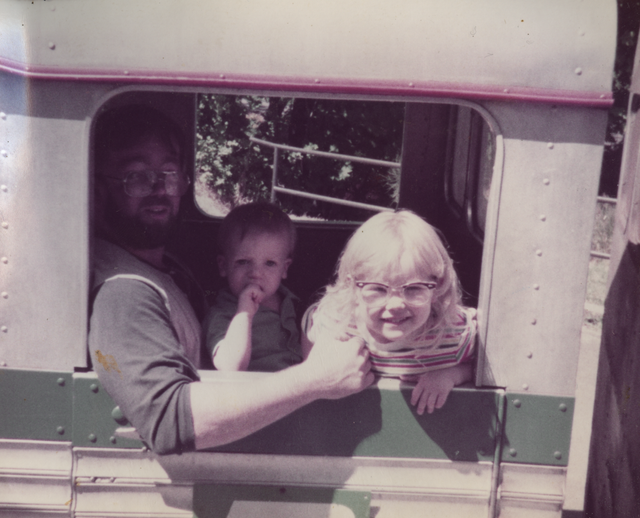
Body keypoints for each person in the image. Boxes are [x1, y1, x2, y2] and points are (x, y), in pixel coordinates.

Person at [88, 104, 373, 454]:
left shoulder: (165, 266)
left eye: (170, 173)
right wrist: (316, 380)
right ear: (98, 189)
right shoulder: (124, 293)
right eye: (137, 176)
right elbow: (169, 421)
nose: (159, 187)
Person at [303, 210, 476, 416]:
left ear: (437, 287)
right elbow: (312, 323)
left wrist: (450, 375)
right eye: (378, 289)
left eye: (413, 289)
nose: (395, 305)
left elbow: (485, 367)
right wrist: (315, 361)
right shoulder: (336, 324)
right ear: (353, 287)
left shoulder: (455, 333)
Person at [204, 202, 307, 372]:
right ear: (223, 266)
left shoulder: (293, 303)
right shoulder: (223, 313)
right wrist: (244, 314)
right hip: (254, 394)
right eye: (243, 262)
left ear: (284, 268)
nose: (256, 273)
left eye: (270, 263)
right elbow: (230, 366)